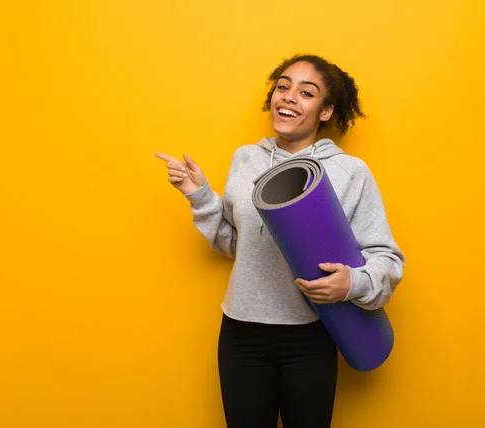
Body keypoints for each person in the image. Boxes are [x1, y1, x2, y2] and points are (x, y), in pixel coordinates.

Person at [155, 54, 405, 428]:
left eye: (306, 93)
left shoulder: (350, 171)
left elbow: (387, 258)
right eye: (283, 87)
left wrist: (351, 284)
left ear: (325, 111)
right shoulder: (246, 159)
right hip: (241, 333)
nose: (288, 97)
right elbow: (237, 244)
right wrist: (200, 195)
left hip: (311, 335)